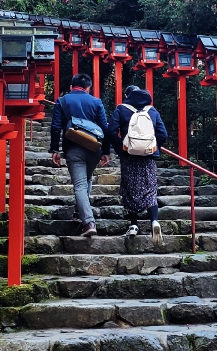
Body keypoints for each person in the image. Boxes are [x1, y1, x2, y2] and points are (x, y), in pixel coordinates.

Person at [50, 73, 110, 238]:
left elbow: (55, 127)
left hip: (73, 147)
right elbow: (105, 128)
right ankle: (79, 211)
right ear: (88, 88)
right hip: (94, 148)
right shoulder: (96, 102)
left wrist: (55, 149)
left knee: (80, 185)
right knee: (87, 180)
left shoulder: (62, 101)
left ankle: (89, 222)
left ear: (71, 86)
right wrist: (106, 152)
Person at [108, 84, 168, 241]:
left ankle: (134, 225)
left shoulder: (121, 109)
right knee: (150, 188)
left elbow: (111, 131)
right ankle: (154, 220)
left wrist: (121, 149)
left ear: (127, 95)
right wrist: (153, 147)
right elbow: (163, 134)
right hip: (147, 157)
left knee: (129, 189)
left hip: (129, 156)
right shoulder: (151, 110)